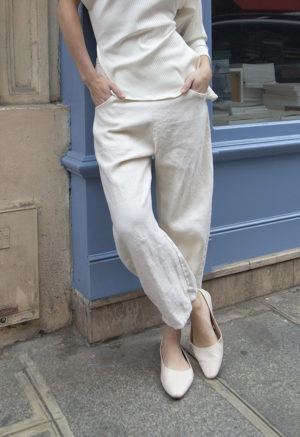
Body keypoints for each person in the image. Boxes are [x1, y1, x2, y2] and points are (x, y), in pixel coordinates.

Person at [57, 0, 223, 399]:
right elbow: (66, 7)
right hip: (118, 106)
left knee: (186, 223)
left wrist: (204, 62)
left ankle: (171, 340)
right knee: (132, 224)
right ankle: (195, 304)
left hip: (181, 96)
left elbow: (191, 24)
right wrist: (88, 76)